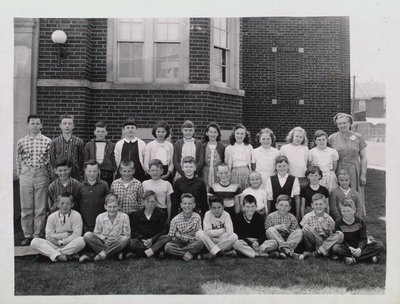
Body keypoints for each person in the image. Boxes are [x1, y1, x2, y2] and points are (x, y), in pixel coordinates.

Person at [16, 114, 52, 245]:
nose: (35, 126)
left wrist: (48, 175)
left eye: (37, 123)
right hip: (26, 175)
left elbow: (50, 161)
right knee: (26, 207)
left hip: (42, 175)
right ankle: (27, 234)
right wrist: (21, 174)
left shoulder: (47, 141)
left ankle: (38, 233)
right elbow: (18, 159)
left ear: (41, 125)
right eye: (32, 123)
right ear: (28, 125)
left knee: (40, 207)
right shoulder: (21, 141)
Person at [328, 113, 367, 214]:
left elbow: (363, 157)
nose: (342, 125)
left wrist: (363, 174)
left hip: (354, 170)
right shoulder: (332, 138)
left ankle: (357, 218)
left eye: (344, 123)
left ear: (350, 123)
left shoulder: (358, 137)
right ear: (336, 125)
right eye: (339, 123)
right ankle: (339, 218)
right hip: (338, 169)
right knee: (339, 193)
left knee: (355, 194)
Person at [30, 193, 85, 262]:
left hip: (70, 244)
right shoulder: (52, 217)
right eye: (62, 203)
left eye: (68, 203)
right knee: (34, 241)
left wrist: (61, 241)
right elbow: (49, 236)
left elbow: (76, 235)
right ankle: (63, 256)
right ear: (57, 204)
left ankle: (52, 255)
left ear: (72, 205)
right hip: (54, 244)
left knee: (81, 240)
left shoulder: (76, 215)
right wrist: (66, 235)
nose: (65, 205)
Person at [332, 198, 384, 265]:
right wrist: (349, 248)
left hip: (360, 246)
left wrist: (359, 249)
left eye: (348, 210)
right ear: (340, 211)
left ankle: (352, 259)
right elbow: (341, 240)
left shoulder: (360, 222)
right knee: (335, 248)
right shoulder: (338, 222)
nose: (346, 213)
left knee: (380, 245)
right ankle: (369, 257)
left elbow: (363, 239)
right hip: (347, 247)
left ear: (354, 210)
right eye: (343, 211)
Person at [80, 194, 131, 262]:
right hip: (103, 242)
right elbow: (96, 233)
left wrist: (115, 241)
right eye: (109, 207)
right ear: (105, 207)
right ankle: (114, 254)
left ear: (118, 206)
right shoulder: (100, 217)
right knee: (87, 235)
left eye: (114, 206)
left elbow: (127, 234)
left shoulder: (124, 217)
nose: (112, 209)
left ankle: (100, 254)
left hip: (117, 243)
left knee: (125, 239)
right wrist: (104, 239)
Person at [128, 191, 170, 258]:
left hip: (155, 240)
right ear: (143, 202)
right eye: (147, 201)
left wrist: (152, 240)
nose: (150, 204)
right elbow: (133, 231)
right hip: (142, 241)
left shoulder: (161, 214)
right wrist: (143, 239)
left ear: (156, 202)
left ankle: (141, 254)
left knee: (167, 237)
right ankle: (154, 252)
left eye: (152, 201)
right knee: (131, 242)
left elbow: (163, 230)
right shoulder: (136, 214)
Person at [300, 193, 344, 259]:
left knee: (340, 234)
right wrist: (304, 229)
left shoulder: (329, 219)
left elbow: (331, 235)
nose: (318, 206)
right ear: (312, 205)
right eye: (316, 204)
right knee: (306, 229)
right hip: (313, 243)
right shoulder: (307, 217)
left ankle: (318, 252)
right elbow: (301, 231)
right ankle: (316, 251)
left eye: (321, 204)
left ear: (325, 205)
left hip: (325, 242)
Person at [164, 193, 204, 261]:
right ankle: (189, 254)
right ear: (181, 205)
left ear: (194, 205)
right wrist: (189, 233)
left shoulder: (197, 217)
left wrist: (180, 235)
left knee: (200, 243)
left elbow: (198, 234)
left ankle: (179, 254)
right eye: (185, 203)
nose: (187, 206)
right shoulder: (175, 220)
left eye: (190, 203)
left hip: (192, 242)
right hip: (179, 243)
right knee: (168, 246)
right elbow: (171, 237)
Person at [265, 194, 303, 259]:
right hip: (275, 241)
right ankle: (287, 251)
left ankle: (283, 251)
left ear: (289, 208)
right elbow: (267, 231)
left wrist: (288, 231)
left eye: (286, 206)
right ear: (276, 206)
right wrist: (275, 228)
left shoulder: (292, 217)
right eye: (281, 205)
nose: (283, 208)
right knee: (270, 229)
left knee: (300, 231)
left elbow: (296, 232)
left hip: (288, 240)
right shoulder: (270, 217)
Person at [76, 160, 110, 233]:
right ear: (85, 171)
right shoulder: (80, 186)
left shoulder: (104, 185)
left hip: (101, 221)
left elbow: (108, 202)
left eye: (94, 171)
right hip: (85, 222)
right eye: (89, 171)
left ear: (98, 171)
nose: (92, 174)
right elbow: (77, 203)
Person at [49, 114, 84, 180]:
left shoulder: (79, 142)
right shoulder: (54, 142)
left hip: (74, 176)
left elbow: (81, 160)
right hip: (59, 177)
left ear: (73, 126)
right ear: (60, 126)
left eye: (69, 124)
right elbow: (52, 161)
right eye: (64, 123)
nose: (67, 126)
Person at [265, 156, 300, 220]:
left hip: (290, 212)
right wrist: (268, 215)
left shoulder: (294, 179)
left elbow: (297, 198)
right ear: (276, 167)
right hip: (274, 212)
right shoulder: (270, 179)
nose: (282, 168)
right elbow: (269, 199)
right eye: (279, 166)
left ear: (288, 166)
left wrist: (297, 215)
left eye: (284, 166)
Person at [83, 121, 116, 187]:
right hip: (93, 171)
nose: (100, 134)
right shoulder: (89, 145)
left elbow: (114, 161)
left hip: (107, 172)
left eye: (102, 131)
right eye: (98, 131)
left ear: (106, 132)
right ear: (94, 132)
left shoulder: (111, 145)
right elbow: (85, 161)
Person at [114, 118, 147, 182]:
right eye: (128, 127)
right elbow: (117, 159)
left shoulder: (141, 143)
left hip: (138, 172)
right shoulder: (119, 144)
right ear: (124, 130)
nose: (130, 130)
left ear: (136, 130)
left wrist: (145, 169)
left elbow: (145, 158)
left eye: (132, 127)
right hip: (123, 173)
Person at [142, 159, 173, 223]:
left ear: (162, 171)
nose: (155, 173)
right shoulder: (144, 183)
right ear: (149, 171)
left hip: (162, 211)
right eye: (152, 170)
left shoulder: (167, 184)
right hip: (148, 211)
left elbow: (168, 202)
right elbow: (142, 200)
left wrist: (168, 218)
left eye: (157, 170)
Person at [224, 124, 253, 191]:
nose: (239, 136)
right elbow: (227, 163)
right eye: (237, 133)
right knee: (235, 192)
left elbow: (251, 162)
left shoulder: (249, 147)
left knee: (246, 191)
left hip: (246, 172)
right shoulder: (229, 148)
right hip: (234, 172)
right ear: (234, 134)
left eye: (242, 134)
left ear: (245, 135)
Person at [200, 122, 226, 189]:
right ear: (207, 133)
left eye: (215, 132)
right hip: (205, 173)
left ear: (218, 134)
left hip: (217, 173)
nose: (213, 134)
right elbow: (201, 162)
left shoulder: (222, 147)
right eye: (211, 132)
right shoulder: (203, 146)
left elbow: (223, 162)